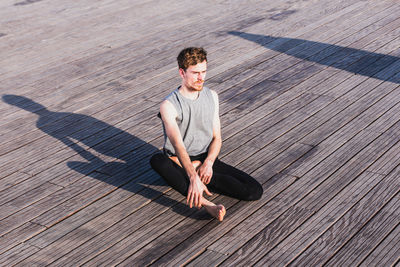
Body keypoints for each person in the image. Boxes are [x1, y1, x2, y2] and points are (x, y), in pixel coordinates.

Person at [150, 47, 263, 221]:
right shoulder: (169, 105)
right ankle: (206, 204)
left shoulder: (212, 96)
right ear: (182, 72)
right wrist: (193, 177)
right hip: (178, 160)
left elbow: (217, 138)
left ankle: (197, 175)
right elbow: (178, 146)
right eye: (195, 73)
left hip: (206, 158)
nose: (201, 78)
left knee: (254, 191)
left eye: (204, 72)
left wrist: (208, 163)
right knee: (157, 161)